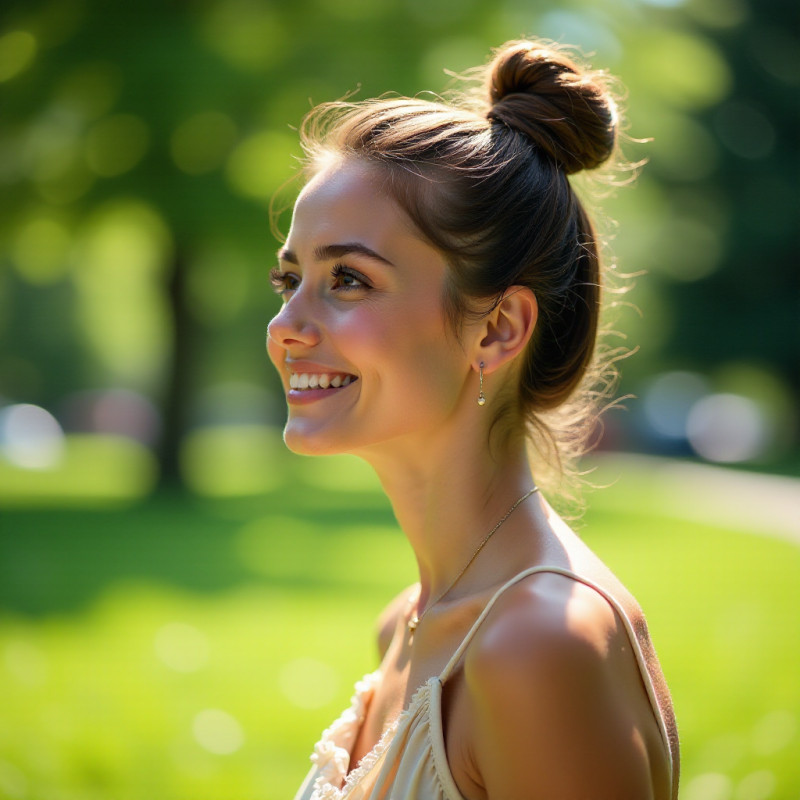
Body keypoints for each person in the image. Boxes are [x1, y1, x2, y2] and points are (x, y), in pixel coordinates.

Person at [267, 38, 679, 800]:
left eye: (347, 279)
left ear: (496, 330)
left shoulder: (537, 644)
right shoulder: (408, 625)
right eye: (289, 278)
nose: (287, 325)